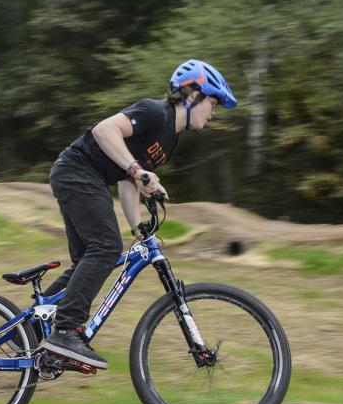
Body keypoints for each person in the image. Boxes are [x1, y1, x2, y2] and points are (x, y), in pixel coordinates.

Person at [40, 59, 238, 369]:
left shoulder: (170, 141)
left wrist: (138, 228)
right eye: (212, 102)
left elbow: (127, 182)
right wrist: (138, 170)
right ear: (191, 95)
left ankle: (31, 327)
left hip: (85, 178)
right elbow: (104, 131)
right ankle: (65, 330)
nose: (214, 112)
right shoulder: (154, 112)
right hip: (77, 172)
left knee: (87, 262)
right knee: (106, 247)